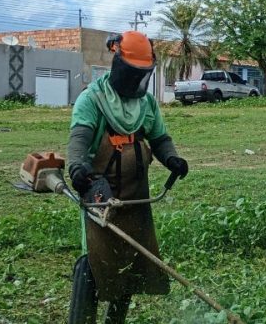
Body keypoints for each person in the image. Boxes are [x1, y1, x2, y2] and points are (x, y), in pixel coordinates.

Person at [66, 31, 189, 323]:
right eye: (133, 73)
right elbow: (79, 139)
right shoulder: (93, 100)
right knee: (94, 260)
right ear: (119, 64)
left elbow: (159, 138)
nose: (137, 81)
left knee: (129, 263)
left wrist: (171, 158)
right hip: (101, 193)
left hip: (135, 193)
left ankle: (115, 318)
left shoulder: (146, 105)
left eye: (142, 75)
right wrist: (76, 167)